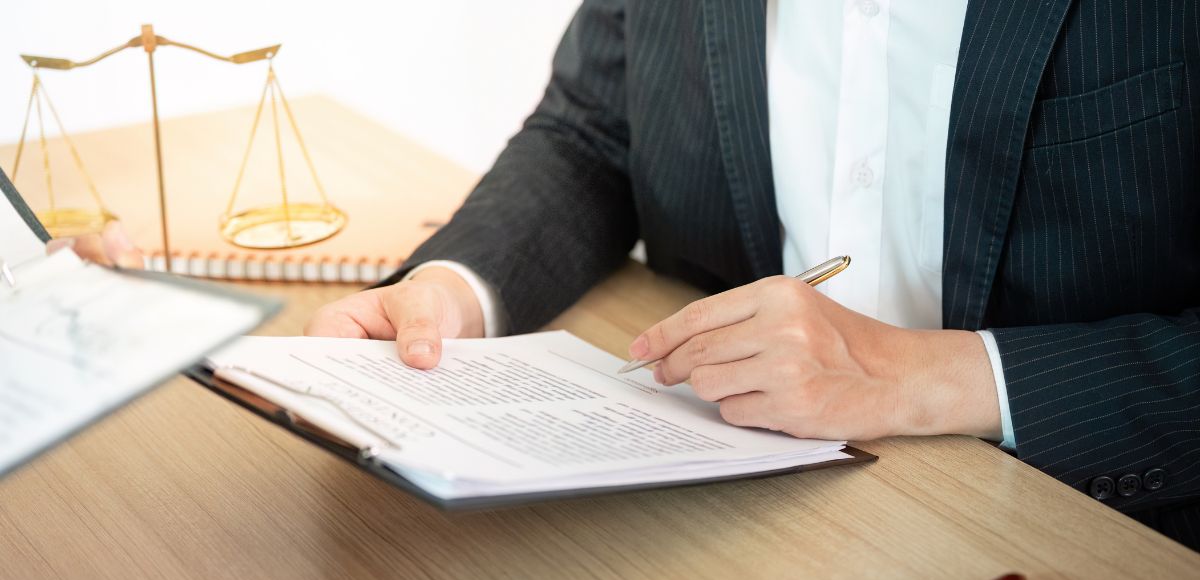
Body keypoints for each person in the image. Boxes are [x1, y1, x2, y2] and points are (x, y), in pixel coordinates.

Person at [305, 0, 1200, 548]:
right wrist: (454, 289)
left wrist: (920, 378)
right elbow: (593, 134)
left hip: (1088, 539)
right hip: (735, 507)